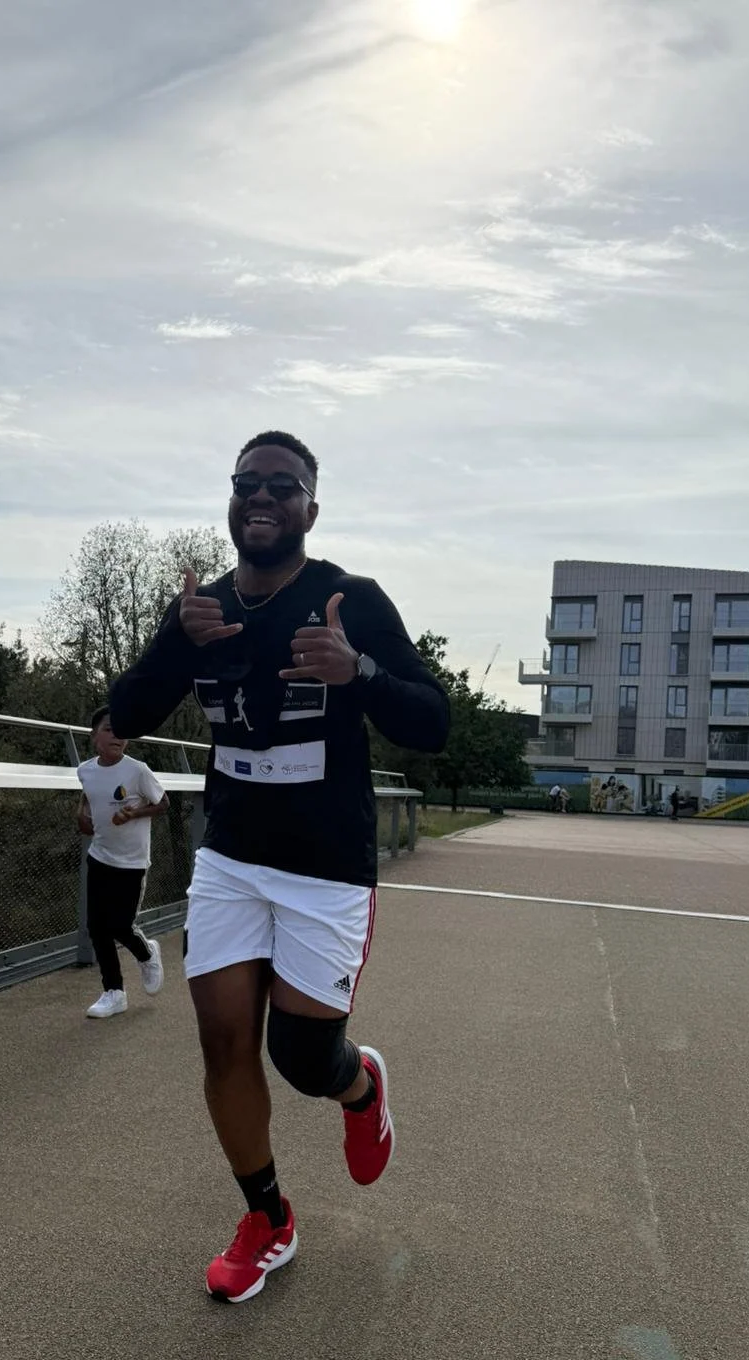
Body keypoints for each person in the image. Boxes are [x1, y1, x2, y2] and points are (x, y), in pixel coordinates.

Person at [109, 430, 450, 1303]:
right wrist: (176, 649)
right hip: (230, 858)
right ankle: (268, 1220)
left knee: (300, 1058)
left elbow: (432, 722)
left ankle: (359, 1084)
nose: (262, 497)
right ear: (231, 499)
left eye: (282, 485)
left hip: (326, 868)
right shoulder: (203, 608)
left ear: (310, 507)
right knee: (222, 1040)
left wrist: (360, 671)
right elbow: (127, 716)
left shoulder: (351, 598)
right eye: (247, 483)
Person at [76, 707, 169, 1019]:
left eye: (122, 731)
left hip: (132, 861)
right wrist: (83, 813)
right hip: (101, 854)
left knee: (119, 924)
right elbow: (88, 798)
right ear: (94, 736)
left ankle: (146, 953)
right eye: (109, 729)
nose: (117, 736)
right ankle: (114, 992)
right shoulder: (85, 770)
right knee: (96, 927)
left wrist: (133, 813)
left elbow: (162, 803)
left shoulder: (137, 770)